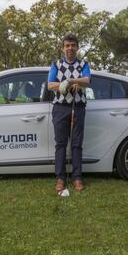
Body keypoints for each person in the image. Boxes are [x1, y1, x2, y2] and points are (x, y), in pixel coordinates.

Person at [47, 33, 91, 191]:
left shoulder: (83, 63)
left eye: (73, 45)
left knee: (77, 144)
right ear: (63, 48)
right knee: (60, 144)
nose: (70, 48)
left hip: (78, 107)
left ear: (77, 47)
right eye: (67, 45)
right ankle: (60, 178)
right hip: (60, 108)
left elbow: (87, 80)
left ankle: (77, 178)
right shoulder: (56, 64)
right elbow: (50, 85)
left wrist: (74, 80)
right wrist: (66, 84)